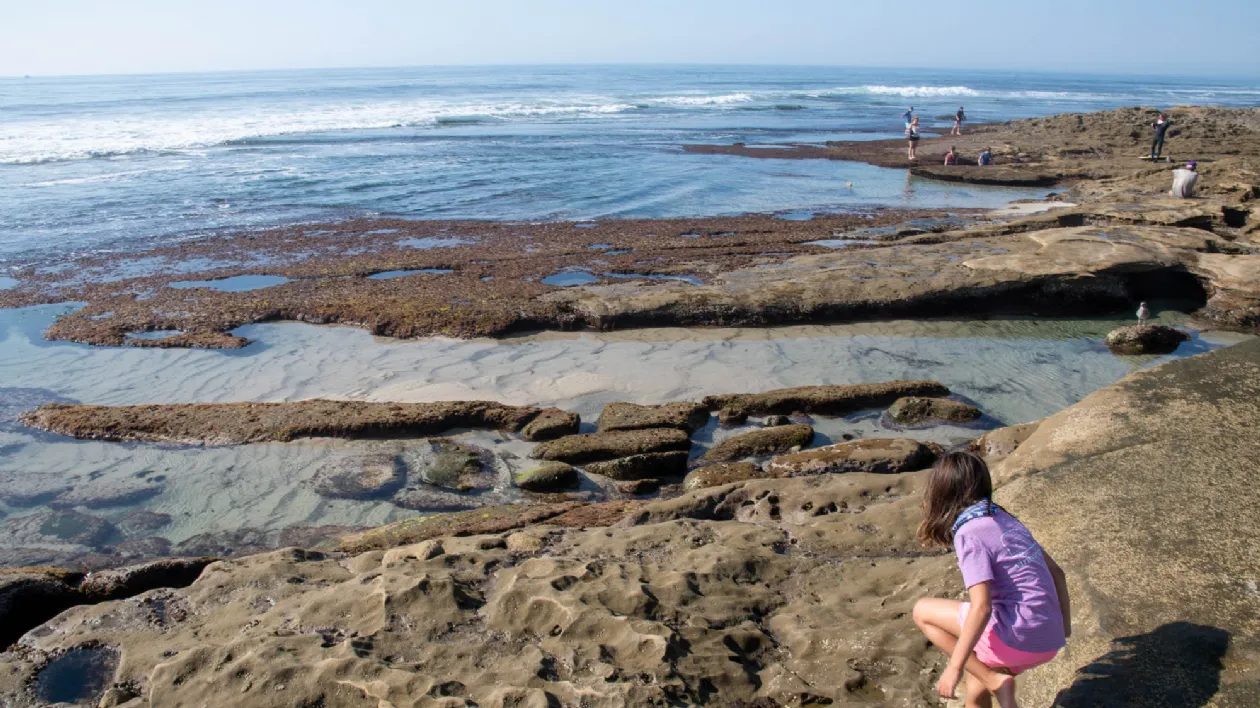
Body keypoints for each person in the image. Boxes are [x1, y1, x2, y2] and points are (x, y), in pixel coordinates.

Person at [912, 452, 1070, 708]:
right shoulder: (1007, 520)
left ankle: (994, 680)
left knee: (922, 611)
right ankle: (992, 681)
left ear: (942, 492)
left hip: (1016, 636)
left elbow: (982, 607)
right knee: (975, 693)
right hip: (1048, 638)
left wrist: (954, 667)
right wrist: (1064, 628)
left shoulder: (969, 533)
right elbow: (1057, 573)